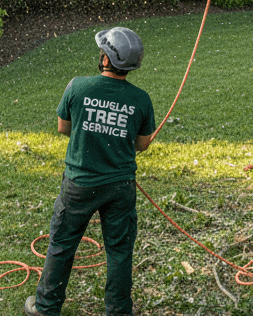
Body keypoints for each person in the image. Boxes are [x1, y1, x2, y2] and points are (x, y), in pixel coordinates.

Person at [25, 27, 157, 316]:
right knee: (120, 251)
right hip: (120, 187)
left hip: (79, 185)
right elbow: (143, 144)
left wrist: (91, 130)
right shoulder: (141, 98)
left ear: (107, 60)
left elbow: (63, 127)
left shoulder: (78, 86)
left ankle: (46, 308)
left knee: (62, 245)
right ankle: (119, 311)